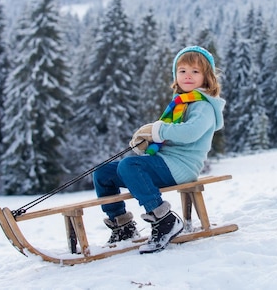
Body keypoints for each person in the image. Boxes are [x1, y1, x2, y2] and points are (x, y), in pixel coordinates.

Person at [92, 45, 225, 254]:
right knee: (103, 172)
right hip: (165, 162)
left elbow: (190, 132)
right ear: (175, 75)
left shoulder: (203, 105)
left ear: (207, 77)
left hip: (182, 166)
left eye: (195, 71)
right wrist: (147, 140)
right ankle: (122, 225)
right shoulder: (181, 103)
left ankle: (164, 220)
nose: (187, 76)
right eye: (182, 71)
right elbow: (167, 133)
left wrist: (157, 130)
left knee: (130, 165)